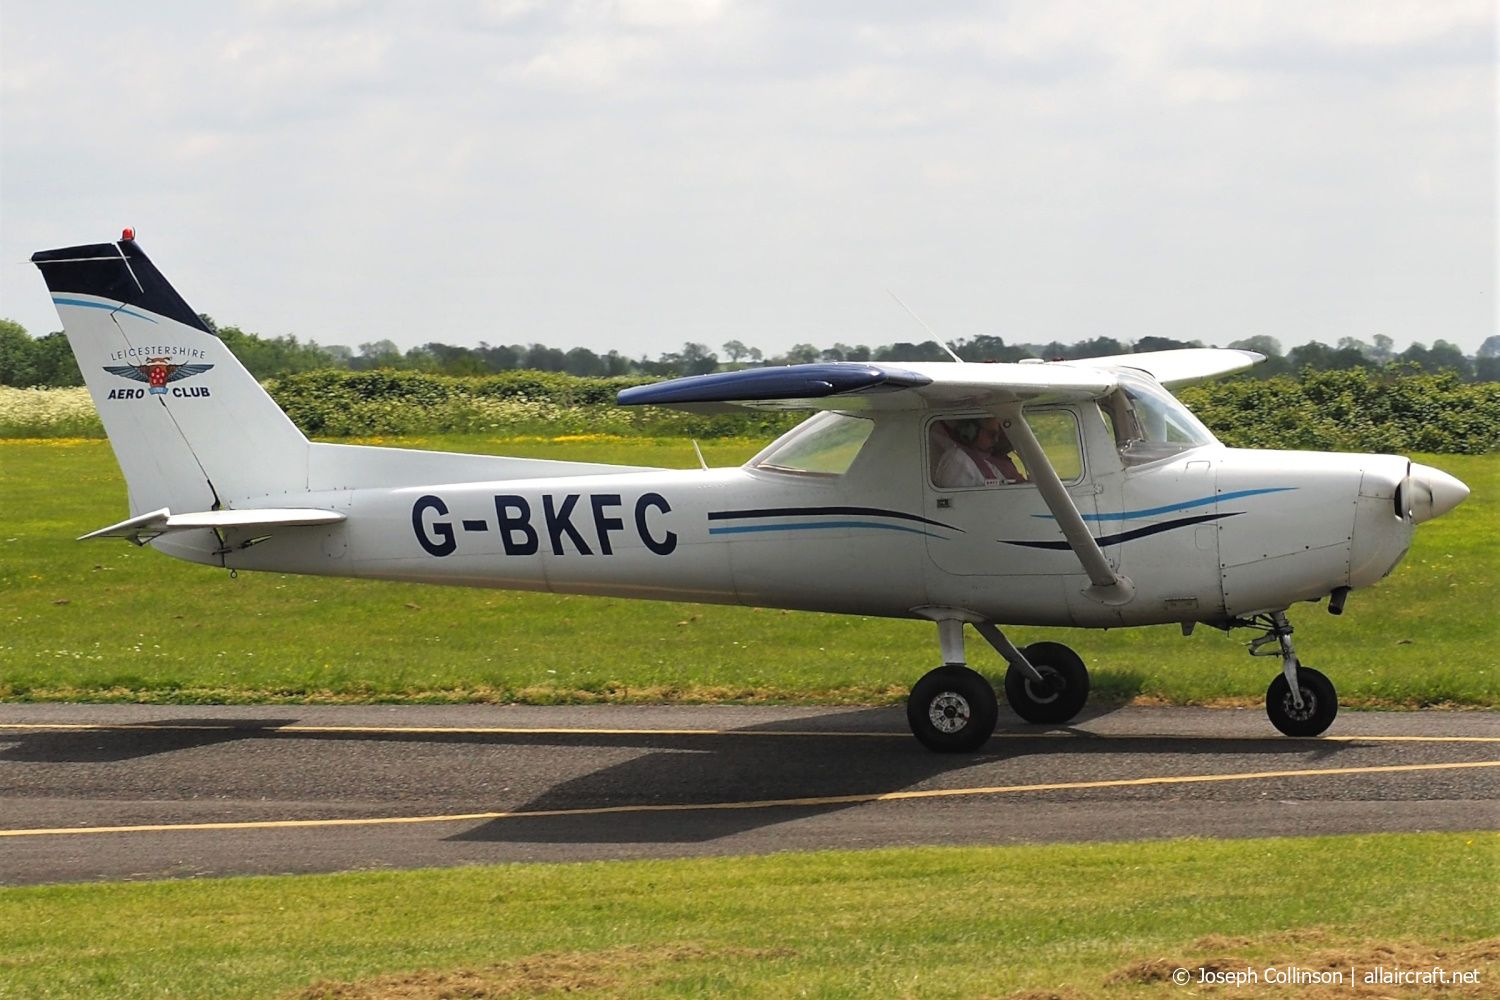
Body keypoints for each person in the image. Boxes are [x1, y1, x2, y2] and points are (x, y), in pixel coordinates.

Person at [934, 418, 1027, 487]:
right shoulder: (958, 461)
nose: (996, 440)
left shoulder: (987, 461)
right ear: (971, 431)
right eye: (991, 435)